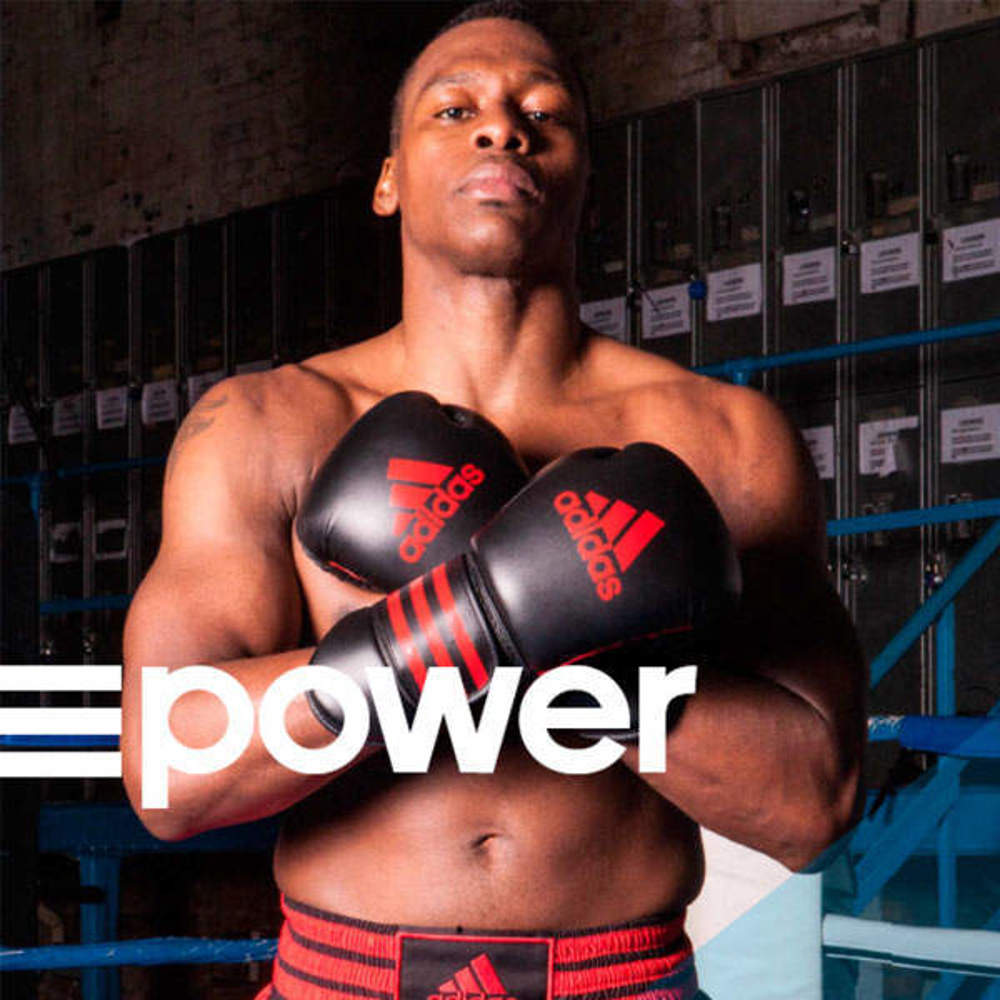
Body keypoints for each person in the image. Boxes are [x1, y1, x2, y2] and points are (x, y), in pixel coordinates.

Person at [121, 4, 867, 997]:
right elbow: (170, 773)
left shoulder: (724, 438)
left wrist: (585, 647)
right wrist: (470, 623)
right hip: (343, 978)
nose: (503, 129)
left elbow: (814, 805)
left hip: (621, 980)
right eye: (454, 109)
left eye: (542, 113)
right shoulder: (267, 424)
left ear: (587, 182)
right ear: (388, 179)